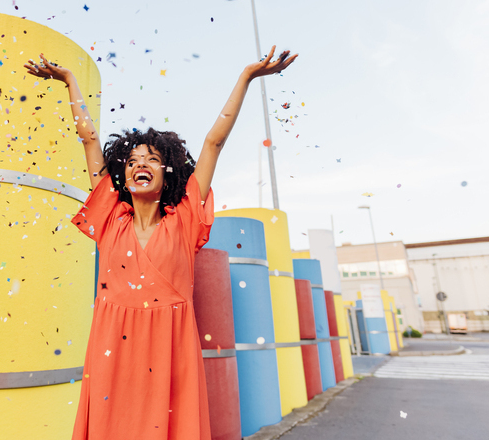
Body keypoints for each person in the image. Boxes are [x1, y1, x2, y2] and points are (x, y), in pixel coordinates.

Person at [24, 46, 297, 440]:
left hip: (170, 348)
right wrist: (70, 81)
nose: (140, 165)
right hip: (112, 347)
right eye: (132, 161)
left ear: (167, 172)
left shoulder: (185, 219)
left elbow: (213, 142)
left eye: (151, 159)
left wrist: (246, 77)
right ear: (124, 173)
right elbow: (88, 139)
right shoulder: (111, 219)